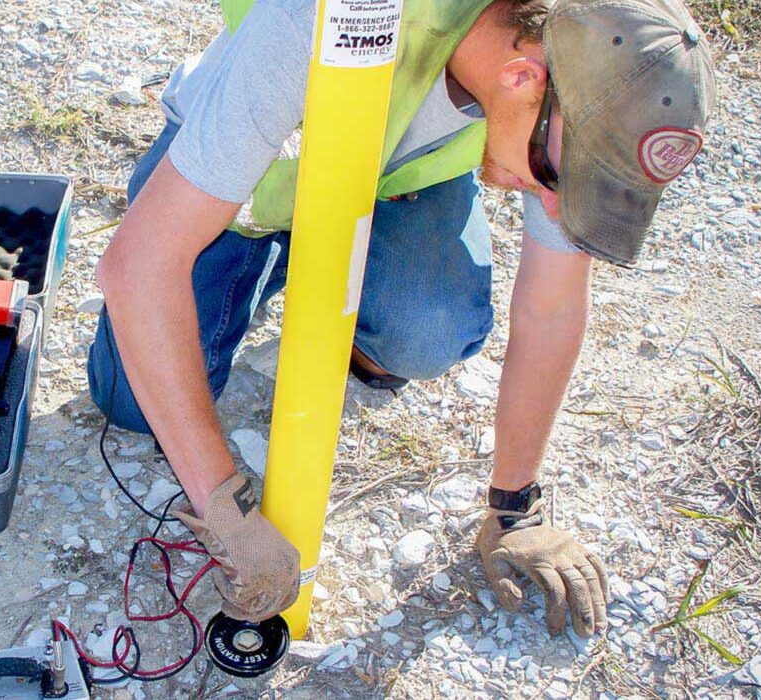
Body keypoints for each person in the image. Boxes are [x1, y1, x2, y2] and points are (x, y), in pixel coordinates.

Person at [88, 0, 716, 638]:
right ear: (522, 78)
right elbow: (137, 267)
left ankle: (342, 285)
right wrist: (225, 509)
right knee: (130, 397)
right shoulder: (325, 16)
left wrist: (515, 506)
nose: (554, 203)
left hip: (388, 178)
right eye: (559, 179)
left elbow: (552, 307)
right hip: (249, 176)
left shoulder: (572, 75)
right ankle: (264, 254)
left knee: (431, 324)